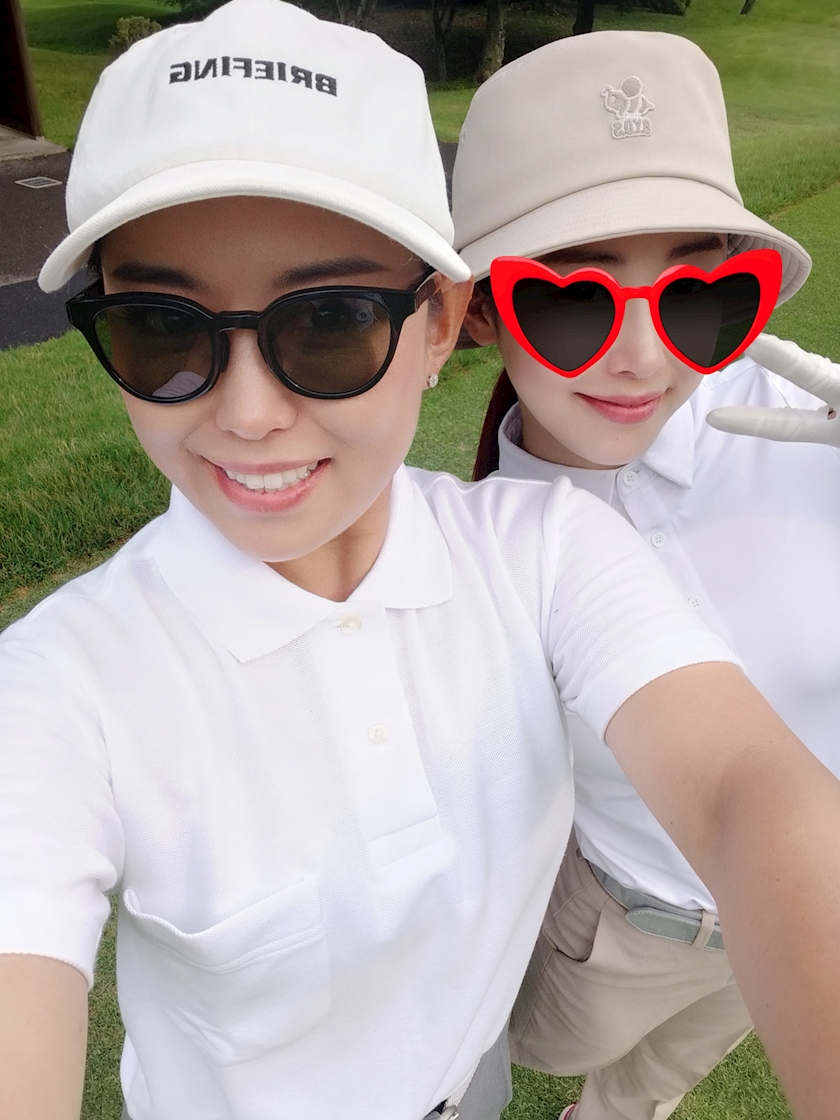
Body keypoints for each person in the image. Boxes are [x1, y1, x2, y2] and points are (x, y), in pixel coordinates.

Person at [1, 7, 840, 1120]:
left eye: (332, 321)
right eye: (160, 326)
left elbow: (747, 789)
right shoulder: (54, 686)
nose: (247, 413)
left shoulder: (545, 549)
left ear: (442, 323)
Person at [452, 29, 840, 1120]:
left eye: (696, 295)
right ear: (476, 310)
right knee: (524, 1041)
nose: (644, 356)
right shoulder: (476, 556)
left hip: (800, 902)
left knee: (647, 1089)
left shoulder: (810, 433)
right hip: (617, 920)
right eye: (574, 298)